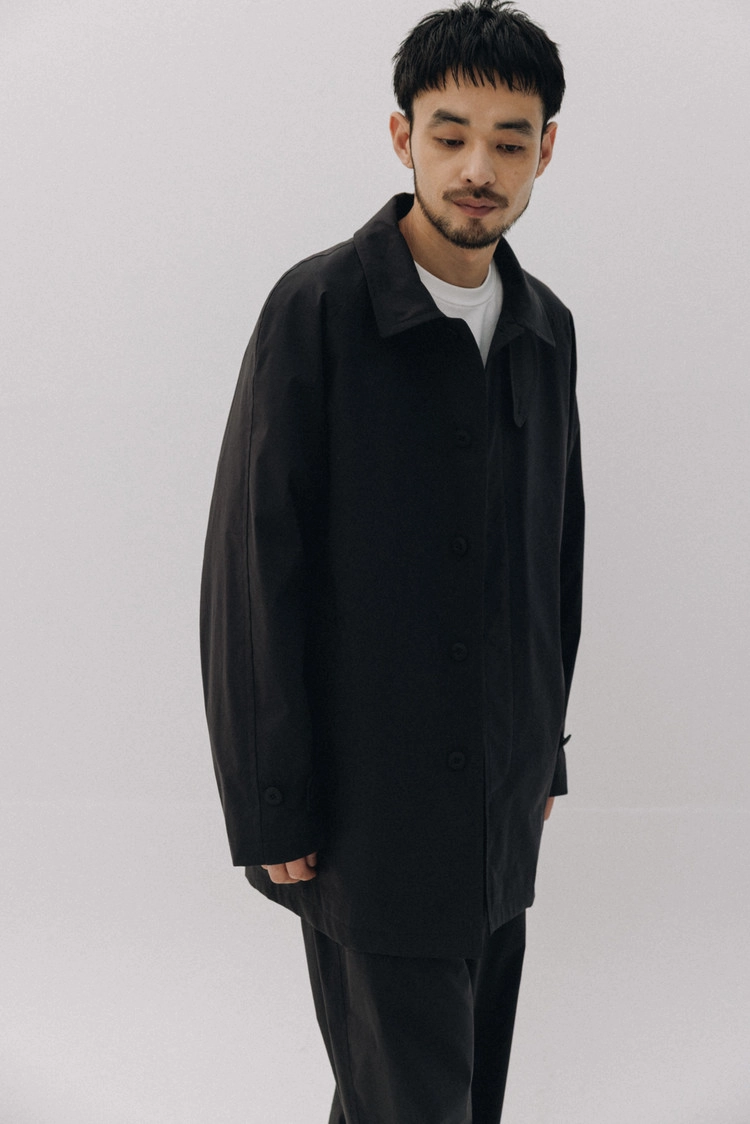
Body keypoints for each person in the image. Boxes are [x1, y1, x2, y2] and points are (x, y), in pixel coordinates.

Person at [200, 1, 584, 1120]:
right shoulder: (318, 310)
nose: (478, 168)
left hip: (497, 806)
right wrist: (273, 800)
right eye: (450, 133)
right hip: (367, 811)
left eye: (510, 140)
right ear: (402, 135)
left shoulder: (545, 327)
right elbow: (252, 569)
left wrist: (541, 755)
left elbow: (553, 554)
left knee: (449, 1093)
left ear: (546, 150)